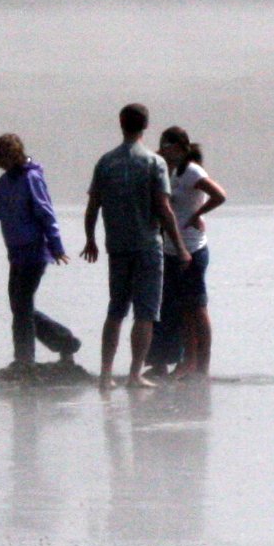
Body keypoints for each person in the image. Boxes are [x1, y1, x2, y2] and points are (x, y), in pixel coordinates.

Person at [80, 104, 191, 389]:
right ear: (146, 126)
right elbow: (164, 209)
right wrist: (180, 247)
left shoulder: (106, 162)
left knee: (115, 310)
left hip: (116, 246)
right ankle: (133, 374)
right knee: (145, 313)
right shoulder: (155, 163)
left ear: (121, 124)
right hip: (146, 246)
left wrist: (90, 239)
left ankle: (105, 375)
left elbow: (93, 205)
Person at [0, 133, 81, 367]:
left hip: (34, 252)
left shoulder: (32, 178)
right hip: (16, 253)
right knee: (19, 306)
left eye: (2, 160)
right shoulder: (4, 183)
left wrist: (56, 246)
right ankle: (64, 343)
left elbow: (46, 213)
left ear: (13, 155)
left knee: (22, 305)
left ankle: (24, 360)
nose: (0, 166)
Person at [150, 126, 227, 377]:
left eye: (168, 146)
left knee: (197, 308)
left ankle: (202, 366)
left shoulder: (192, 171)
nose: (164, 150)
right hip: (171, 248)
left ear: (181, 148)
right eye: (162, 146)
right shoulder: (168, 171)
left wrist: (197, 214)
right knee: (183, 309)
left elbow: (219, 195)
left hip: (192, 249)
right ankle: (187, 361)